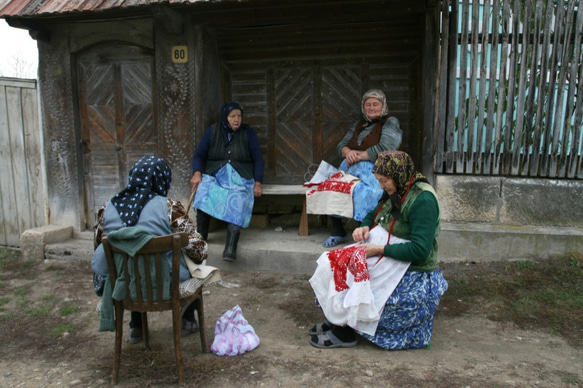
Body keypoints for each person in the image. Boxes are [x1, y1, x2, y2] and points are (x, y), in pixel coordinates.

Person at [308, 150, 448, 350]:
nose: (381, 186)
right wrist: (364, 226)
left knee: (358, 277)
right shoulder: (396, 189)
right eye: (379, 181)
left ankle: (345, 332)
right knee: (331, 262)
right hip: (383, 249)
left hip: (410, 264)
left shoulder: (423, 200)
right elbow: (374, 213)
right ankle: (337, 319)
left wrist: (379, 249)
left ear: (398, 175)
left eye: (384, 181)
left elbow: (420, 250)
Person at [91, 155, 209, 344]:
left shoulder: (106, 208)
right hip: (164, 285)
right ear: (162, 180)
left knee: (132, 264)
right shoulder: (170, 208)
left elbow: (98, 248)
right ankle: (187, 321)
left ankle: (136, 326)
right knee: (192, 258)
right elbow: (200, 250)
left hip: (123, 285)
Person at [309, 89, 403, 248]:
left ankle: (363, 231)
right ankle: (338, 231)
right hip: (350, 167)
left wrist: (359, 156)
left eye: (375, 104)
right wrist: (347, 152)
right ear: (363, 107)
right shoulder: (359, 125)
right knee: (334, 187)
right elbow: (341, 145)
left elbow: (387, 147)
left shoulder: (390, 122)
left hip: (377, 169)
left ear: (383, 105)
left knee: (366, 191)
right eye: (368, 105)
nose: (371, 108)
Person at [190, 102, 265, 262]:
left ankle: (230, 247)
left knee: (237, 198)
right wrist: (197, 173)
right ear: (225, 117)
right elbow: (198, 156)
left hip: (240, 178)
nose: (236, 119)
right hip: (216, 175)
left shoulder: (248, 133)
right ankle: (201, 239)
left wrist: (258, 182)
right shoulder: (213, 131)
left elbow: (258, 159)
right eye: (232, 116)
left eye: (239, 116)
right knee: (204, 191)